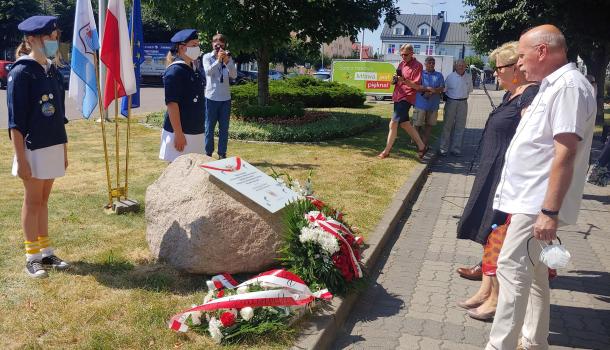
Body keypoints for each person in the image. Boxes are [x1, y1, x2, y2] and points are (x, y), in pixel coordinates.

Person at [487, 25, 596, 349]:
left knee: (511, 267)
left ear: (542, 51)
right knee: (533, 274)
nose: (518, 63)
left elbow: (565, 151)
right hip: (529, 199)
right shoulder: (554, 86)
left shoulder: (568, 88)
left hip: (536, 202)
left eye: (522, 55)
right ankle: (534, 341)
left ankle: (500, 345)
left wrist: (548, 211)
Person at [454, 41, 539, 321]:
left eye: (498, 68)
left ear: (516, 68)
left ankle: (495, 299)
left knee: (498, 235)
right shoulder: (511, 94)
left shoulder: (530, 96)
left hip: (508, 178)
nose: (494, 73)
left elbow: (531, 141)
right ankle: (486, 289)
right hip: (493, 173)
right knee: (487, 231)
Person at [7, 16, 70, 278]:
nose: (53, 42)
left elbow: (60, 115)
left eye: (55, 37)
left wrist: (64, 150)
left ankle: (46, 251)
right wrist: (21, 159)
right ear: (32, 39)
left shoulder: (53, 71)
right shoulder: (22, 72)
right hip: (32, 149)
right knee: (32, 201)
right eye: (48, 37)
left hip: (52, 145)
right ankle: (31, 256)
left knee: (43, 200)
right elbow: (16, 123)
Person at [158, 29, 206, 162]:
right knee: (178, 176)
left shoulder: (193, 69)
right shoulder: (175, 71)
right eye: (194, 45)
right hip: (182, 134)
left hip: (196, 131)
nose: (197, 48)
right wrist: (178, 134)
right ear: (182, 47)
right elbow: (172, 105)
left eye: (198, 44)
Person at [377, 44, 427, 160]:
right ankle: (422, 146)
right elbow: (396, 79)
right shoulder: (401, 64)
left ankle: (386, 151)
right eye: (401, 54)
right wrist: (394, 79)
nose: (403, 57)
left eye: (405, 54)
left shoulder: (417, 66)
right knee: (405, 124)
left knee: (393, 123)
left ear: (412, 53)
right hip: (398, 95)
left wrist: (403, 80)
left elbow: (416, 86)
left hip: (407, 97)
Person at [202, 33, 237, 159]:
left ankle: (222, 154)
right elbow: (208, 72)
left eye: (221, 42)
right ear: (212, 44)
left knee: (224, 129)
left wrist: (227, 61)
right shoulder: (207, 57)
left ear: (224, 45)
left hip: (225, 99)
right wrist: (218, 60)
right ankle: (208, 154)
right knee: (209, 128)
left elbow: (234, 75)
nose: (218, 44)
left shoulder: (228, 58)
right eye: (215, 42)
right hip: (211, 98)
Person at [439, 59, 473, 156]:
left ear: (465, 66)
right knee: (447, 126)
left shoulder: (468, 77)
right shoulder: (450, 77)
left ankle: (456, 149)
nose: (461, 67)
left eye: (463, 65)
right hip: (451, 102)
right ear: (455, 66)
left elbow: (470, 90)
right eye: (459, 65)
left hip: (463, 103)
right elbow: (444, 90)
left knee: (460, 127)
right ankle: (443, 149)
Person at [412, 56, 445, 146]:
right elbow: (416, 86)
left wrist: (434, 91)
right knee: (417, 124)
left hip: (433, 106)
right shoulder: (420, 74)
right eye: (429, 63)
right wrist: (425, 92)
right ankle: (414, 142)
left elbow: (442, 87)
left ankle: (424, 143)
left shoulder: (439, 75)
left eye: (433, 63)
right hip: (420, 104)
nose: (431, 64)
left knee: (429, 126)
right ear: (425, 64)